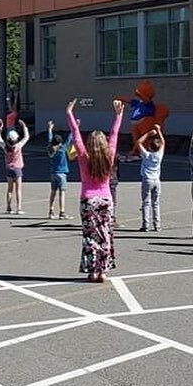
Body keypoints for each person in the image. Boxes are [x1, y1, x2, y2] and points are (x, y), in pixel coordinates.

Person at [65, 99, 123, 282]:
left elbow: (76, 135)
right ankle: (103, 271)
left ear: (90, 144)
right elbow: (114, 134)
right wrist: (119, 115)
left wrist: (69, 114)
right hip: (105, 199)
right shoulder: (109, 156)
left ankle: (92, 271)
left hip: (88, 200)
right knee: (105, 233)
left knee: (90, 236)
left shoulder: (83, 157)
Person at [0, 119, 29, 215]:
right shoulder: (18, 146)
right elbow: (26, 137)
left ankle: (9, 208)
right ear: (16, 138)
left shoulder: (5, 147)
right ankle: (19, 208)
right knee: (18, 189)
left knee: (9, 189)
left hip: (9, 168)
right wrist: (24, 127)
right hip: (18, 168)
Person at [137, 126, 164, 232]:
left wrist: (148, 133)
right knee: (156, 203)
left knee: (146, 202)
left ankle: (145, 225)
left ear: (149, 147)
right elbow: (163, 142)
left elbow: (138, 142)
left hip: (147, 179)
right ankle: (157, 225)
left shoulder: (146, 155)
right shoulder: (159, 155)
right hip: (156, 180)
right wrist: (159, 131)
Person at [47, 121, 72, 220]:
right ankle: (62, 212)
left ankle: (51, 210)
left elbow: (49, 139)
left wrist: (49, 129)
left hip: (53, 173)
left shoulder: (51, 148)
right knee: (62, 193)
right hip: (62, 173)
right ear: (60, 142)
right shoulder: (62, 149)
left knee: (53, 192)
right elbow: (70, 139)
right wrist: (74, 128)